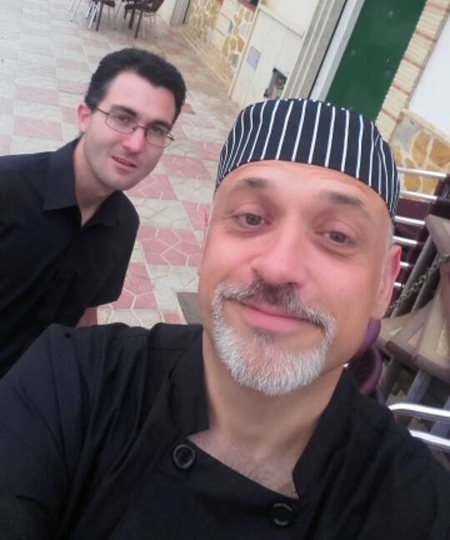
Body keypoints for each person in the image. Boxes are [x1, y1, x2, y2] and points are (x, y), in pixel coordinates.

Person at [0, 97, 449, 539]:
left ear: (384, 283)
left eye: (337, 235)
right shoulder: (71, 379)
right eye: (251, 218)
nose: (278, 268)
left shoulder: (421, 508)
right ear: (207, 241)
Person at [0, 47, 186, 377]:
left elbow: (85, 316)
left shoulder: (124, 225)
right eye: (122, 118)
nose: (136, 144)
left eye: (156, 130)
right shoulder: (8, 188)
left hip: (36, 394)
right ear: (85, 116)